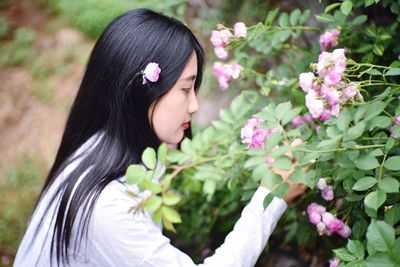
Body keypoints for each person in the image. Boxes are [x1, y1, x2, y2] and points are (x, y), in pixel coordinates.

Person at [14, 8, 304, 267]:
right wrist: (272, 196)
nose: (194, 105)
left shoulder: (108, 146)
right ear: (138, 91)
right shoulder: (110, 207)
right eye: (184, 89)